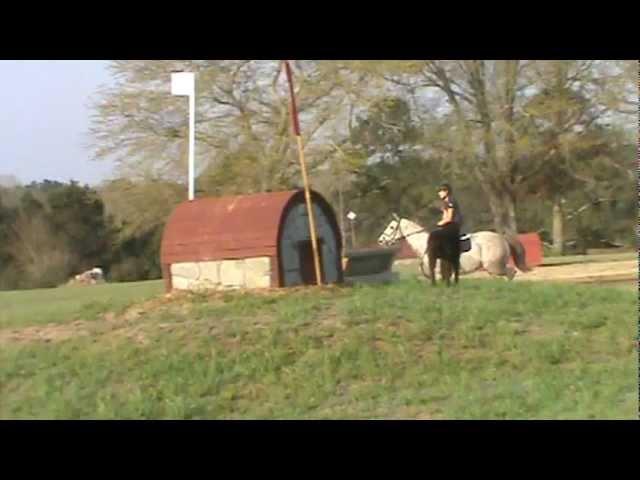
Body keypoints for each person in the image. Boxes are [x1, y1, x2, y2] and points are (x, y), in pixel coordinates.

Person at [431, 182, 463, 255]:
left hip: (455, 222)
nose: (439, 193)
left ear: (446, 191)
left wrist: (440, 223)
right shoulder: (445, 202)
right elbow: (445, 216)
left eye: (440, 191)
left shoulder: (451, 201)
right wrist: (440, 223)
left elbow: (449, 218)